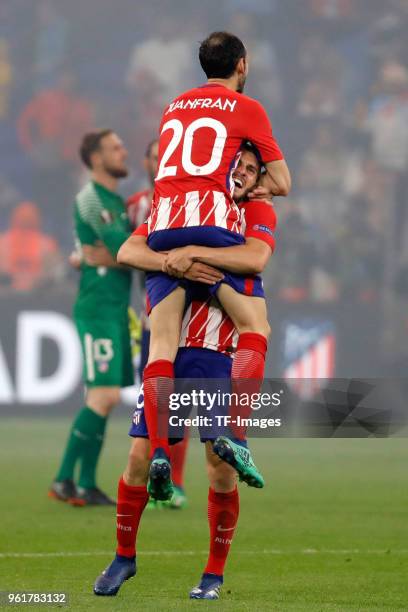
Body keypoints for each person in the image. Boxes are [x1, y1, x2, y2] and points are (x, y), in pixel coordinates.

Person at [94, 144, 277, 600]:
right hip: (172, 355)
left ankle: (213, 574)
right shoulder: (178, 208)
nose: (242, 174)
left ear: (257, 181)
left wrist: (195, 258)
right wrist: (171, 260)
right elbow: (130, 249)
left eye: (252, 170)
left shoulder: (253, 212)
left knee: (219, 468)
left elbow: (255, 259)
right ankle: (123, 558)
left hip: (217, 353)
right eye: (237, 165)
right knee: (137, 459)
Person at [118, 31, 291, 501]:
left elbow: (129, 248)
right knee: (256, 324)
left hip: (165, 221)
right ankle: (237, 435)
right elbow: (284, 181)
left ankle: (158, 452)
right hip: (212, 221)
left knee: (161, 342)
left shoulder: (174, 105)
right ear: (243, 65)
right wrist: (257, 189)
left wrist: (178, 257)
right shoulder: (248, 109)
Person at [48, 129, 133, 506]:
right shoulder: (90, 199)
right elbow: (124, 249)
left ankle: (82, 483)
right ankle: (65, 479)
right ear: (96, 158)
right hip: (97, 307)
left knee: (106, 397)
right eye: (116, 147)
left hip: (114, 308)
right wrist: (112, 254)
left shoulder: (115, 200)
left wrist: (105, 255)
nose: (123, 152)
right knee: (104, 395)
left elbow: (117, 252)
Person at [0, 201, 64, 292]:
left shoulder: (47, 244)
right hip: (6, 294)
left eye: (29, 216)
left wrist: (39, 281)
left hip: (40, 294)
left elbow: (55, 272)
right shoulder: (2, 242)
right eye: (22, 216)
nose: (25, 219)